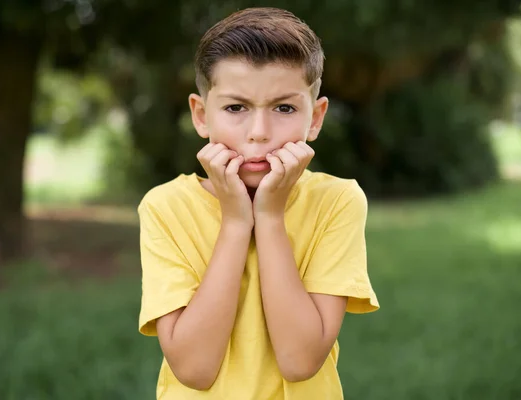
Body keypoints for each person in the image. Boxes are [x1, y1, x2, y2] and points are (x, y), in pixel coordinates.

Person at [137, 7, 379, 399]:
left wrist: (268, 217)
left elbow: (300, 362)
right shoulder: (165, 208)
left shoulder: (336, 201)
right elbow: (195, 369)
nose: (259, 134)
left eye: (284, 108)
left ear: (315, 119)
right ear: (201, 115)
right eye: (236, 108)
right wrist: (235, 224)